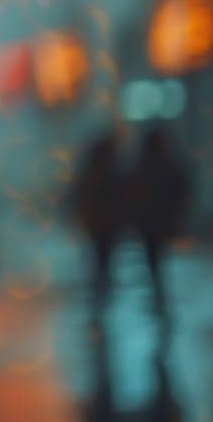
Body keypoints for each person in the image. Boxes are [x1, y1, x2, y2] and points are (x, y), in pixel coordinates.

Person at [128, 123, 192, 320]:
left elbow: (132, 192)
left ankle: (158, 295)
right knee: (157, 259)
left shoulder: (143, 166)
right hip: (160, 222)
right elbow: (182, 189)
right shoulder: (168, 165)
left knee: (153, 260)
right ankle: (159, 295)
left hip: (148, 222)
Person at [69, 124, 125, 315]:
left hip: (96, 225)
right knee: (104, 259)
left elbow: (79, 195)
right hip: (106, 225)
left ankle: (99, 294)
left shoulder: (92, 172)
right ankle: (102, 293)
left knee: (98, 259)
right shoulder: (113, 171)